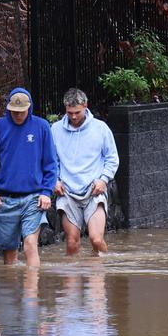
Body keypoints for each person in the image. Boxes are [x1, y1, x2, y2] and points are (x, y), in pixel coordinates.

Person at [0, 87, 57, 267]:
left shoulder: (41, 126)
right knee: (9, 255)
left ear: (29, 108)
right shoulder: (0, 126)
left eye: (21, 111)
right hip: (7, 199)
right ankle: (12, 291)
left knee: (30, 245)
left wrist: (46, 192)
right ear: (8, 108)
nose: (18, 115)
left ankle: (31, 295)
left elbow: (51, 164)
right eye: (14, 111)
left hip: (34, 198)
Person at [51, 88, 119, 255]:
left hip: (93, 191)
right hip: (67, 192)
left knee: (96, 239)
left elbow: (112, 158)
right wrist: (54, 180)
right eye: (69, 113)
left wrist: (103, 180)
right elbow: (51, 161)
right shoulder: (55, 129)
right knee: (72, 242)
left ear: (85, 106)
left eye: (77, 112)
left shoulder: (101, 128)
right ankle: (73, 278)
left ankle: (102, 271)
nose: (73, 117)